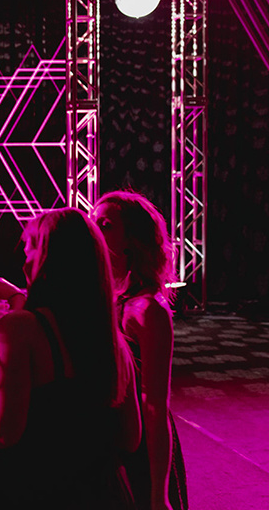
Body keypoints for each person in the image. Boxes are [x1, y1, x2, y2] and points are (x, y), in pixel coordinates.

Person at [0, 208, 141, 509]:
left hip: (36, 490)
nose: (24, 259)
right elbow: (130, 438)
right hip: (104, 494)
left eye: (30, 247)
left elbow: (5, 431)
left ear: (46, 258)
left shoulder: (19, 329)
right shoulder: (114, 342)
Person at [94, 191, 188, 510]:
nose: (94, 230)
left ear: (131, 240)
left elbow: (155, 406)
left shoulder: (148, 310)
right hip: (113, 440)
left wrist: (159, 494)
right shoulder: (107, 294)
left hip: (141, 452)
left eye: (105, 224)